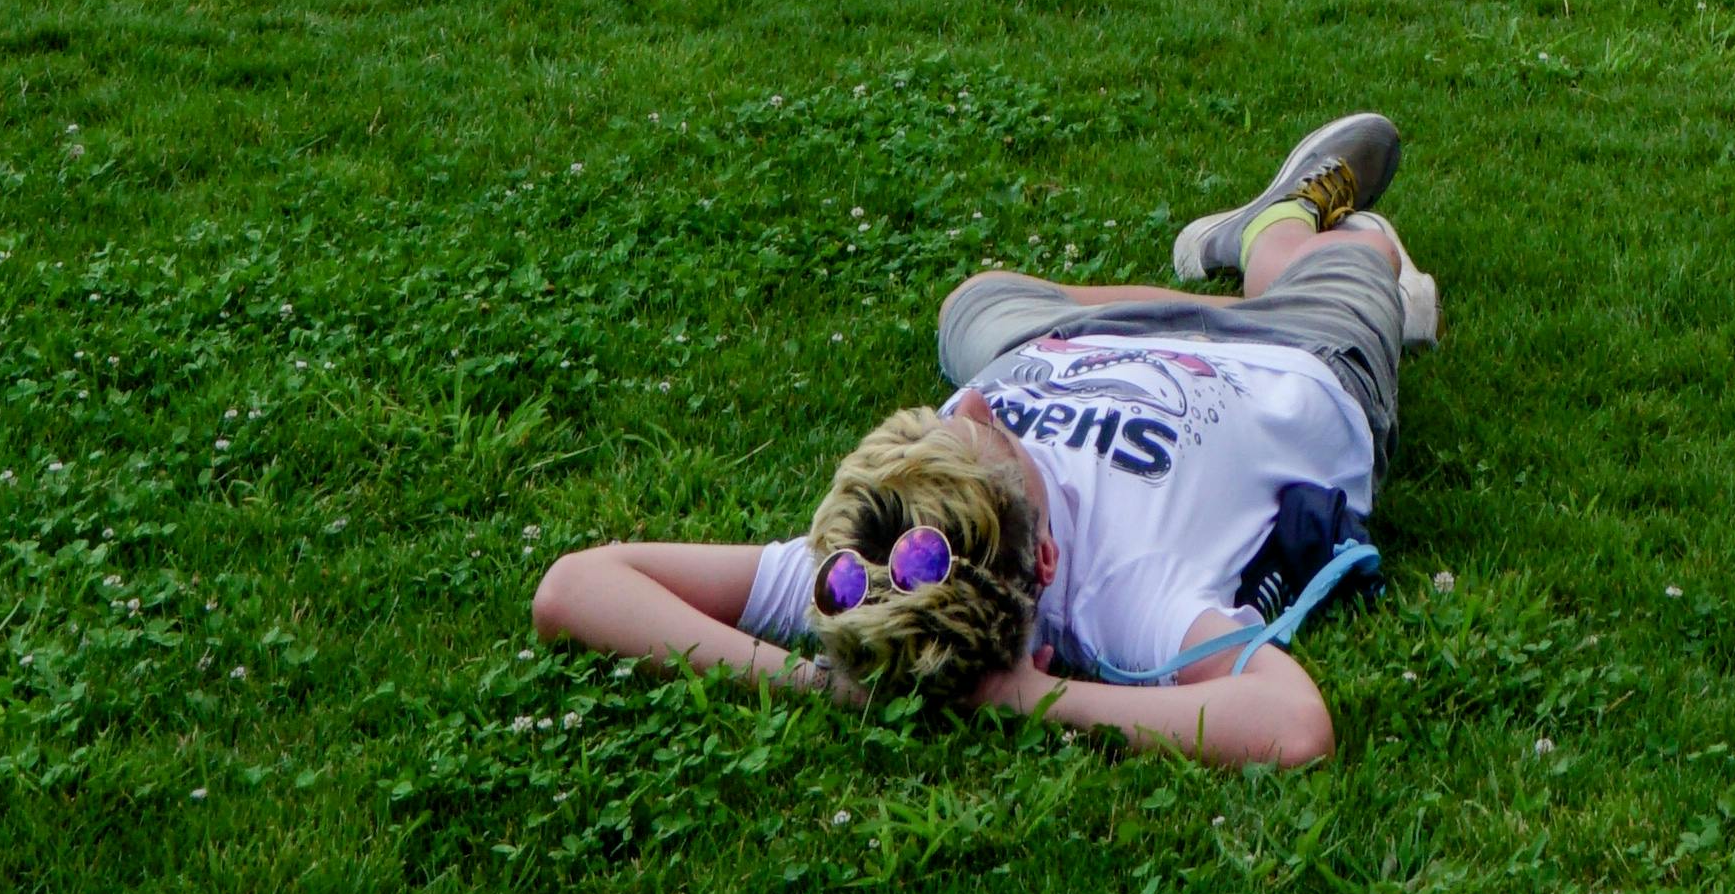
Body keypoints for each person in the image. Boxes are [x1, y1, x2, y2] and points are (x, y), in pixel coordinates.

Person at [533, 112, 1431, 769]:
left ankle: (1226, 283)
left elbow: (577, 581)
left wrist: (817, 683)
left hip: (1057, 345)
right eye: (991, 436)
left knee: (975, 299)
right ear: (1044, 560)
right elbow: (1293, 725)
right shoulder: (1128, 586)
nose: (978, 412)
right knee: (1359, 252)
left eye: (957, 418)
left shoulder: (867, 559)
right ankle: (1273, 233)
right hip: (1288, 359)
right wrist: (1032, 699)